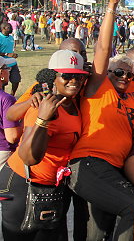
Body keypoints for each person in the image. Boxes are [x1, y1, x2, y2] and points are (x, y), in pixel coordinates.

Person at [68, 0, 134, 241]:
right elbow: (103, 48)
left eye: (130, 74)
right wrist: (112, 4)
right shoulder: (99, 88)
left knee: (100, 231)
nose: (125, 76)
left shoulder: (133, 103)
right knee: (133, 207)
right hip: (89, 164)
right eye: (119, 72)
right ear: (108, 73)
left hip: (115, 169)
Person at [0, 49, 88, 240]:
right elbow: (29, 157)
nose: (74, 81)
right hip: (23, 184)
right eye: (67, 75)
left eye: (79, 77)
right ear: (52, 77)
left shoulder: (73, 100)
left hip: (51, 186)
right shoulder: (44, 104)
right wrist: (42, 120)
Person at [0, 57, 21, 168]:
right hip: (3, 152)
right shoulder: (7, 99)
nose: (9, 71)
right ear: (1, 73)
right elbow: (12, 136)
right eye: (7, 68)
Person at [0, 23, 21, 96]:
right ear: (3, 28)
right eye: (9, 27)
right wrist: (7, 54)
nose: (11, 28)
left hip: (12, 62)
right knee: (2, 83)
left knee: (16, 80)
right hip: (2, 63)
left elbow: (11, 49)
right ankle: (3, 97)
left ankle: (12, 95)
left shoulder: (11, 37)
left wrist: (13, 54)